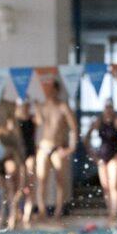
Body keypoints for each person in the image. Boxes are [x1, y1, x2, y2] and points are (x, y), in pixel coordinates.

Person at [35, 79, 78, 220]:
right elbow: (38, 123)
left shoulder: (63, 107)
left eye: (51, 89)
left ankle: (59, 211)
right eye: (47, 90)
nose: (48, 92)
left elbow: (74, 127)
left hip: (58, 147)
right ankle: (42, 210)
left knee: (60, 181)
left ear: (56, 90)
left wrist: (71, 147)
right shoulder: (43, 106)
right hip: (44, 146)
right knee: (42, 180)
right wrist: (36, 109)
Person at [83, 99, 117, 225]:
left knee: (114, 186)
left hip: (114, 157)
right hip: (102, 157)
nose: (108, 110)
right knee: (106, 186)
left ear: (113, 109)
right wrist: (92, 155)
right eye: (106, 107)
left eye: (110, 107)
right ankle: (110, 211)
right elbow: (86, 138)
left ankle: (114, 213)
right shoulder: (99, 121)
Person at [14, 99, 39, 227]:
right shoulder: (14, 121)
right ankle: (17, 211)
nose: (25, 107)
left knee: (30, 185)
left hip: (30, 153)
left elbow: (41, 121)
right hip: (19, 155)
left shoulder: (32, 119)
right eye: (23, 105)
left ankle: (27, 215)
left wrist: (37, 106)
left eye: (27, 105)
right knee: (19, 187)